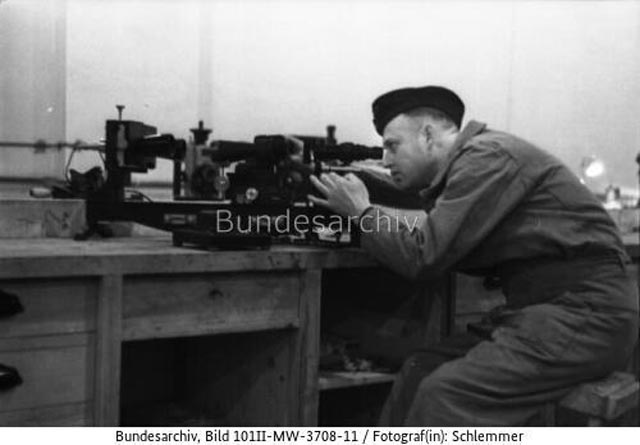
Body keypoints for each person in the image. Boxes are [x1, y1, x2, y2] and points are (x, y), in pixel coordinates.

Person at [308, 85, 639, 426]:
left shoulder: (486, 157)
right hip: (547, 313)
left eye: (393, 146)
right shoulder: (473, 164)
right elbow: (431, 230)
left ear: (427, 135)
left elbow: (424, 255)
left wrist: (361, 213)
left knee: (445, 394)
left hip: (586, 316)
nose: (386, 160)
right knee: (419, 370)